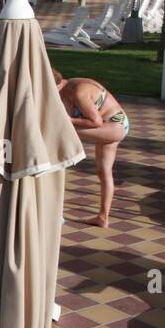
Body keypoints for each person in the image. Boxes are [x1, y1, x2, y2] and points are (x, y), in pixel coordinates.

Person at [53, 68, 129, 228]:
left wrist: (69, 120)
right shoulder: (68, 85)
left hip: (114, 125)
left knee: (58, 130)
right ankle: (103, 217)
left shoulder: (78, 91)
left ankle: (51, 176)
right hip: (116, 123)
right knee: (103, 171)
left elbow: (96, 122)